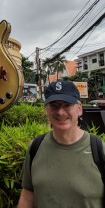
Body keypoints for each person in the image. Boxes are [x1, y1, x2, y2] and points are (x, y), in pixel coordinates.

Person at [18, 80, 105, 208]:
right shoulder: (35, 147)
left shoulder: (99, 149)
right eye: (54, 105)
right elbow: (27, 195)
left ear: (79, 109)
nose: (60, 112)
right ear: (46, 110)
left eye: (67, 105)